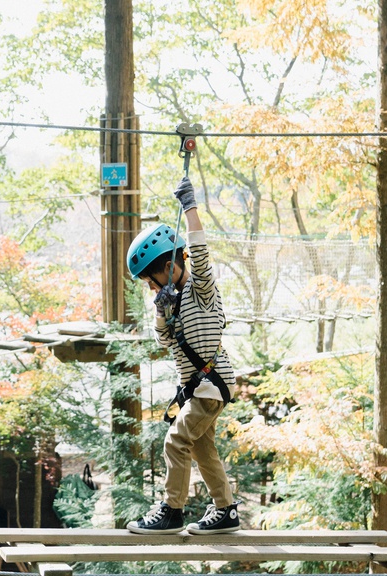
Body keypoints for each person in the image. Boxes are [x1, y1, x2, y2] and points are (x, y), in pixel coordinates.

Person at [125, 177, 239, 535]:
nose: (151, 288)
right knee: (202, 448)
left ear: (168, 265)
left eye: (151, 281)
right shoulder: (171, 300)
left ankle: (172, 510)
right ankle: (226, 510)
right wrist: (162, 309)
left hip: (211, 384)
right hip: (198, 389)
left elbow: (200, 254)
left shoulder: (201, 290)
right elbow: (164, 341)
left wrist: (190, 206)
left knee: (175, 440)